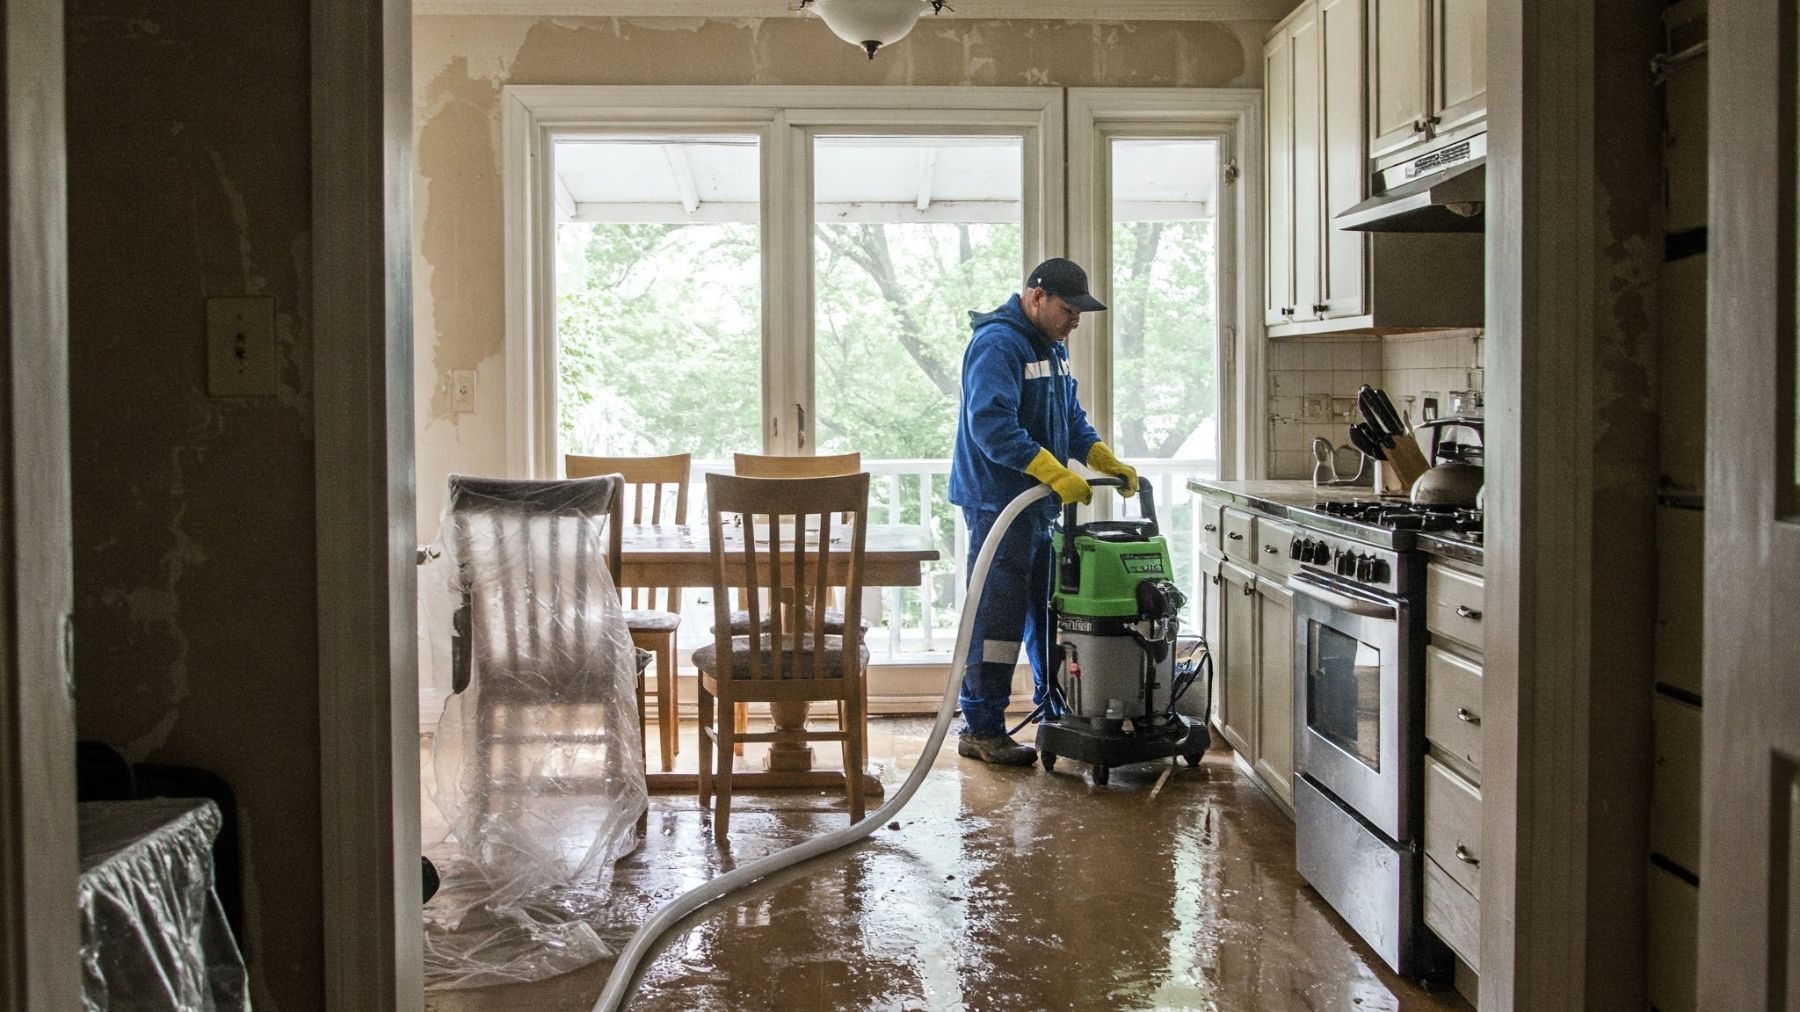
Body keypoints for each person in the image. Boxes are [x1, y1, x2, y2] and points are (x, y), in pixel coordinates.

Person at [948, 257, 1139, 766]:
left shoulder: (1052, 350)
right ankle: (982, 728)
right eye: (1068, 309)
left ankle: (1056, 713)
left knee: (1048, 616)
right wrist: (1054, 474)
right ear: (1036, 296)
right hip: (999, 505)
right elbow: (991, 426)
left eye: (1080, 311)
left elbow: (1071, 420)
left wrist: (1103, 458)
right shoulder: (998, 344)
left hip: (1035, 508)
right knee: (997, 621)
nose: (1075, 319)